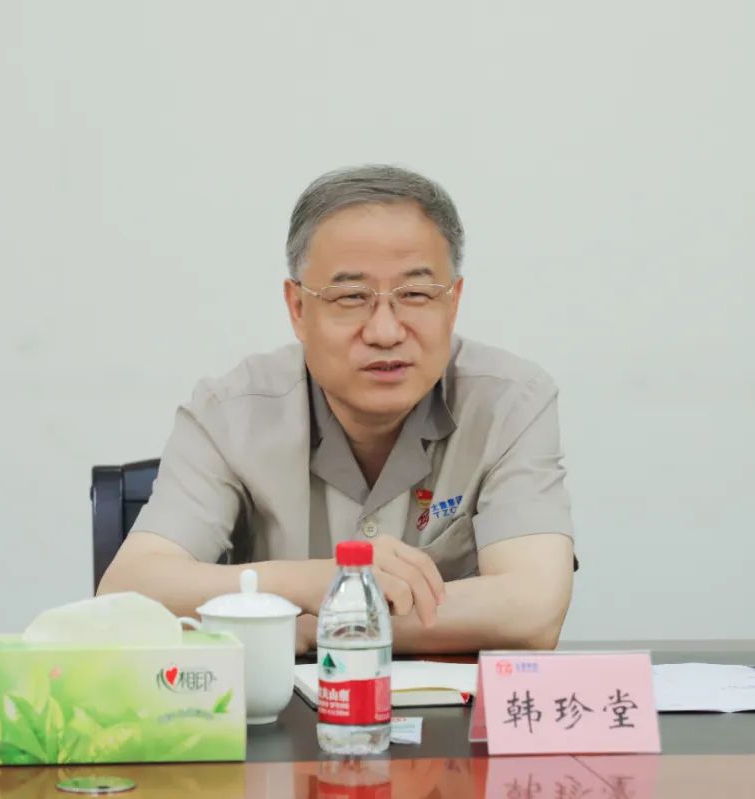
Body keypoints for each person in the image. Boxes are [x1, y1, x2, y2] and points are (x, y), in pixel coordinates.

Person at [98, 165, 576, 654]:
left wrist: (315, 625)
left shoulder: (510, 403)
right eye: (351, 297)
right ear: (298, 309)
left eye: (415, 294)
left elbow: (532, 610)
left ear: (452, 303)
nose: (385, 332)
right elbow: (126, 592)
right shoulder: (231, 413)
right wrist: (313, 580)